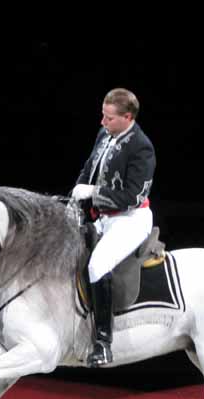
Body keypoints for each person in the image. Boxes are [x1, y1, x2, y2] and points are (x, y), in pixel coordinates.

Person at [71, 88, 156, 367]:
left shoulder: (142, 147)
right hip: (104, 216)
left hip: (131, 220)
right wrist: (75, 195)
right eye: (103, 116)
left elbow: (133, 197)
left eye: (108, 118)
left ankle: (104, 342)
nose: (102, 122)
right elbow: (89, 167)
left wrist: (93, 192)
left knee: (98, 265)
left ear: (127, 117)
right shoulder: (105, 134)